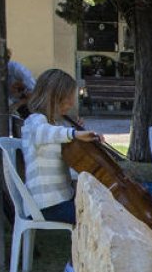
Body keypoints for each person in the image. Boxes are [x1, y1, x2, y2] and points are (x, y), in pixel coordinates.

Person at [20, 69, 99, 225]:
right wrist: (73, 134)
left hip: (61, 200)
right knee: (98, 218)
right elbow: (45, 132)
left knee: (99, 209)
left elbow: (65, 156)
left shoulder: (55, 126)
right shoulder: (35, 121)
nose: (71, 103)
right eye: (68, 98)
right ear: (52, 97)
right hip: (45, 204)